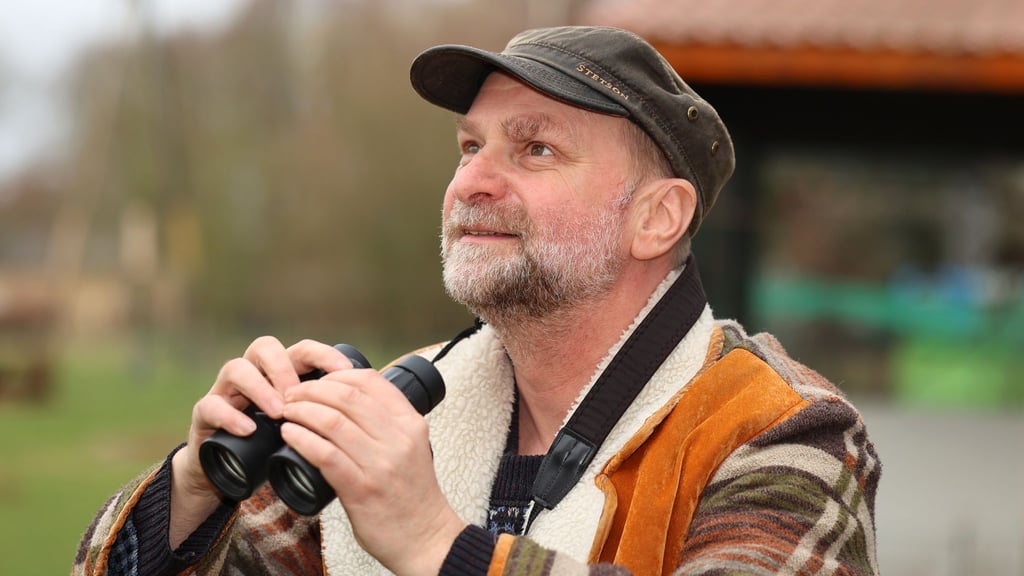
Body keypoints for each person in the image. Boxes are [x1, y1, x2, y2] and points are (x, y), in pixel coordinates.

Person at [73, 25, 880, 576]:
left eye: (535, 147)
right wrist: (197, 486)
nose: (471, 181)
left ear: (656, 218)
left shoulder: (781, 428)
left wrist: (434, 544)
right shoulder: (414, 398)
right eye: (469, 146)